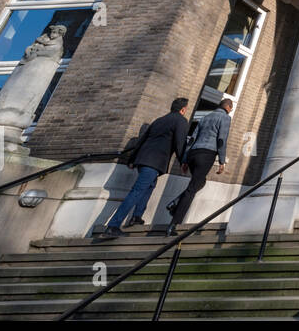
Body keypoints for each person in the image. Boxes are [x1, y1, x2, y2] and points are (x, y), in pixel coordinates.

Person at [100, 98, 189, 239]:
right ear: (183, 109)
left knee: (149, 187)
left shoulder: (158, 120)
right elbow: (180, 143)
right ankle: (113, 226)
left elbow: (142, 139)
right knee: (137, 191)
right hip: (154, 162)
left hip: (143, 160)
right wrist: (184, 160)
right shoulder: (181, 121)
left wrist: (132, 159)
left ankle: (136, 217)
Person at [164, 97, 233, 236]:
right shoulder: (225, 118)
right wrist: (221, 160)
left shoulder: (206, 117)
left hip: (193, 153)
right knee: (192, 189)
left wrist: (184, 160)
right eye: (231, 109)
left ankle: (175, 203)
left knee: (200, 182)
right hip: (206, 155)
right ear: (229, 108)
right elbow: (221, 139)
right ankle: (173, 225)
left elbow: (193, 138)